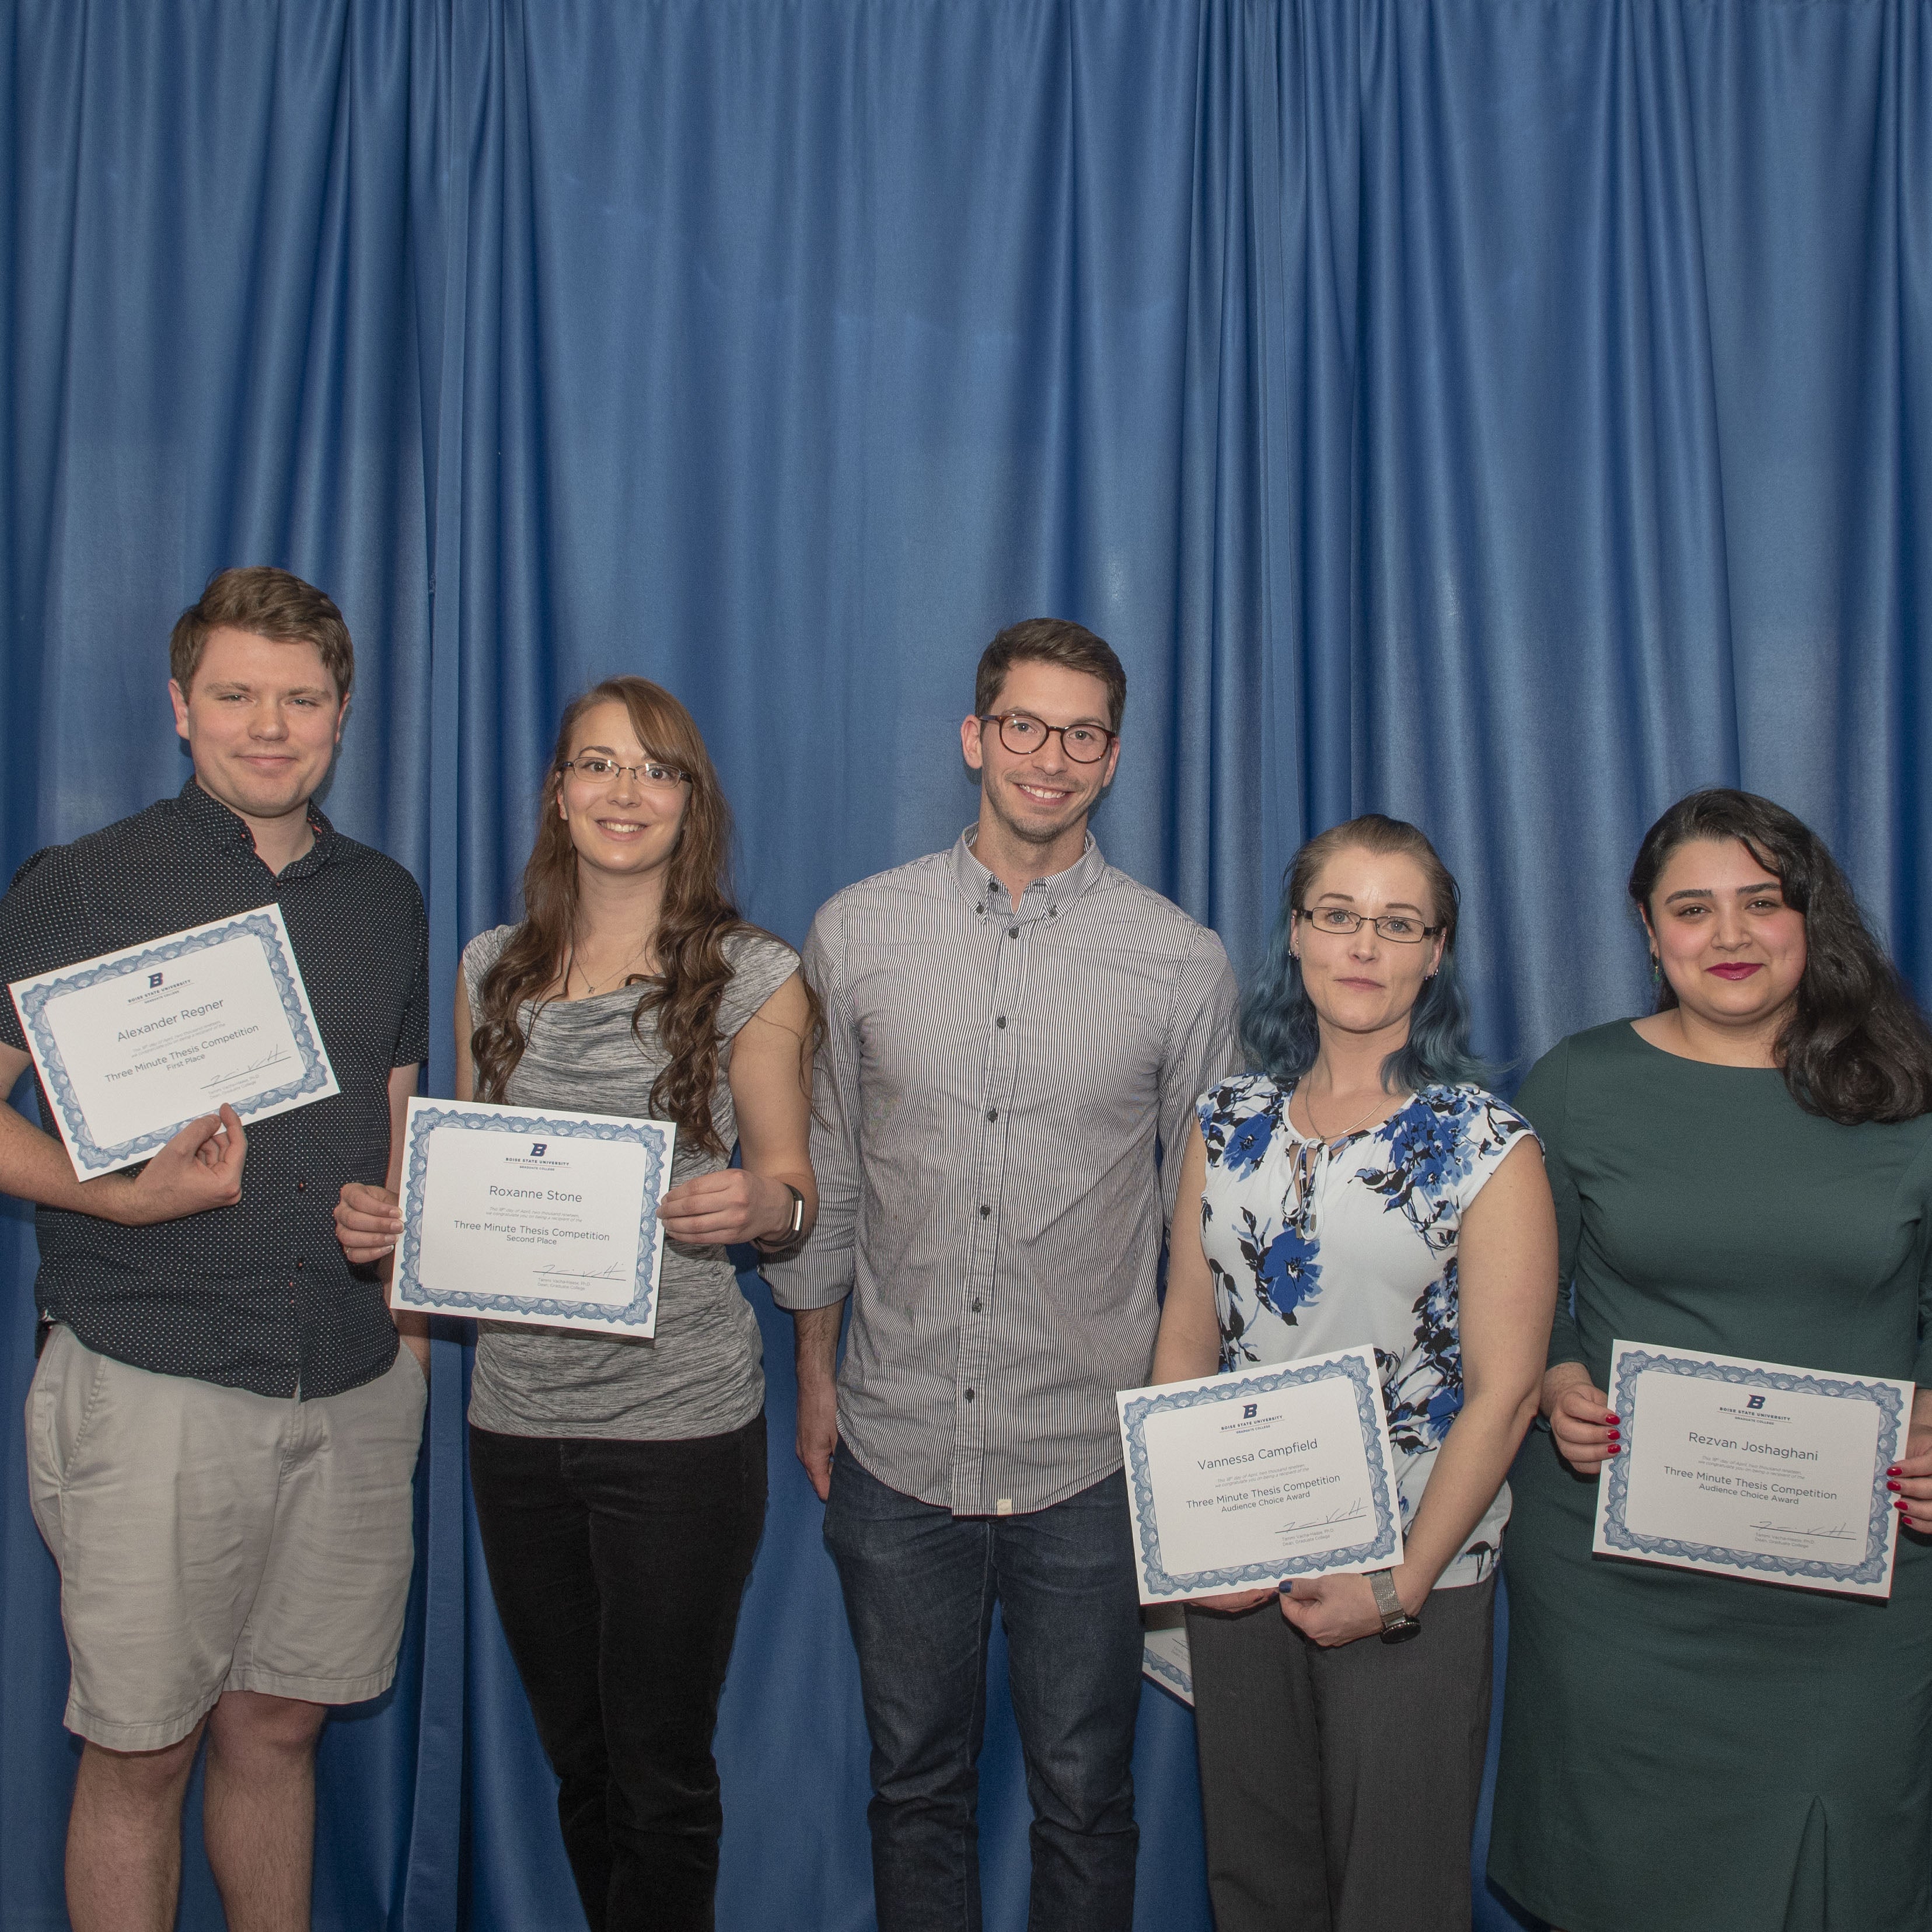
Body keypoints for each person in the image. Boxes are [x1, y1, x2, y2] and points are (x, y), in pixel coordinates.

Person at [763, 617, 1241, 1932]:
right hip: (896, 1438)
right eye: (1024, 726)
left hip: (1089, 1453)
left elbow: (1201, 1220)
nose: (1051, 757)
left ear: (1114, 757)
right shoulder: (858, 930)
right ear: (976, 738)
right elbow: (836, 1173)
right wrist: (816, 1372)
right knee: (913, 1787)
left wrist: (1177, 1437)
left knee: (1086, 1793)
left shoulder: (1181, 959)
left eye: (1082, 734)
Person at [337, 675, 817, 1932]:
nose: (624, 791)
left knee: (661, 1777)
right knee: (582, 1763)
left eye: (655, 769)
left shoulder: (756, 973)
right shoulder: (490, 969)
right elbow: (460, 1179)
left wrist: (756, 1211)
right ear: (558, 794)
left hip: (679, 1434)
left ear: (690, 803)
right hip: (516, 1427)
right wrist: (396, 1226)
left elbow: (797, 1191)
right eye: (598, 765)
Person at [0, 567, 429, 1932]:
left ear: (342, 714)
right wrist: (121, 1199)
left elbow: (399, 1124)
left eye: (301, 699)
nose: (270, 726)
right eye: (237, 696)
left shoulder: (385, 900)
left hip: (353, 1381)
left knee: (280, 1731)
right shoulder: (82, 886)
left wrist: (394, 1228)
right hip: (153, 1373)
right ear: (181, 707)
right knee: (143, 1748)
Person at [1487, 788, 1932, 1931]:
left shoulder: (1908, 1094)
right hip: (1621, 1589)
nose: (1728, 936)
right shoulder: (1576, 1084)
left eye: (1760, 903)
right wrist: (1557, 1375)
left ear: (1809, 916)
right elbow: (1511, 1304)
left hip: (1857, 1587)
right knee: (1628, 1880)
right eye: (1693, 909)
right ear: (1648, 929)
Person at [1148, 813, 1555, 1931]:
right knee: (1256, 1883)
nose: (1363, 947)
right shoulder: (1223, 1120)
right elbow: (1187, 1330)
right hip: (1244, 1570)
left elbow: (1508, 1392)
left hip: (1415, 1575)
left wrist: (1400, 1586)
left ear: (1436, 952)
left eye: (1397, 924)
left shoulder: (1486, 1142)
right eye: (1338, 917)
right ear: (1297, 934)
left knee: (1397, 1897)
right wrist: (1193, 1548)